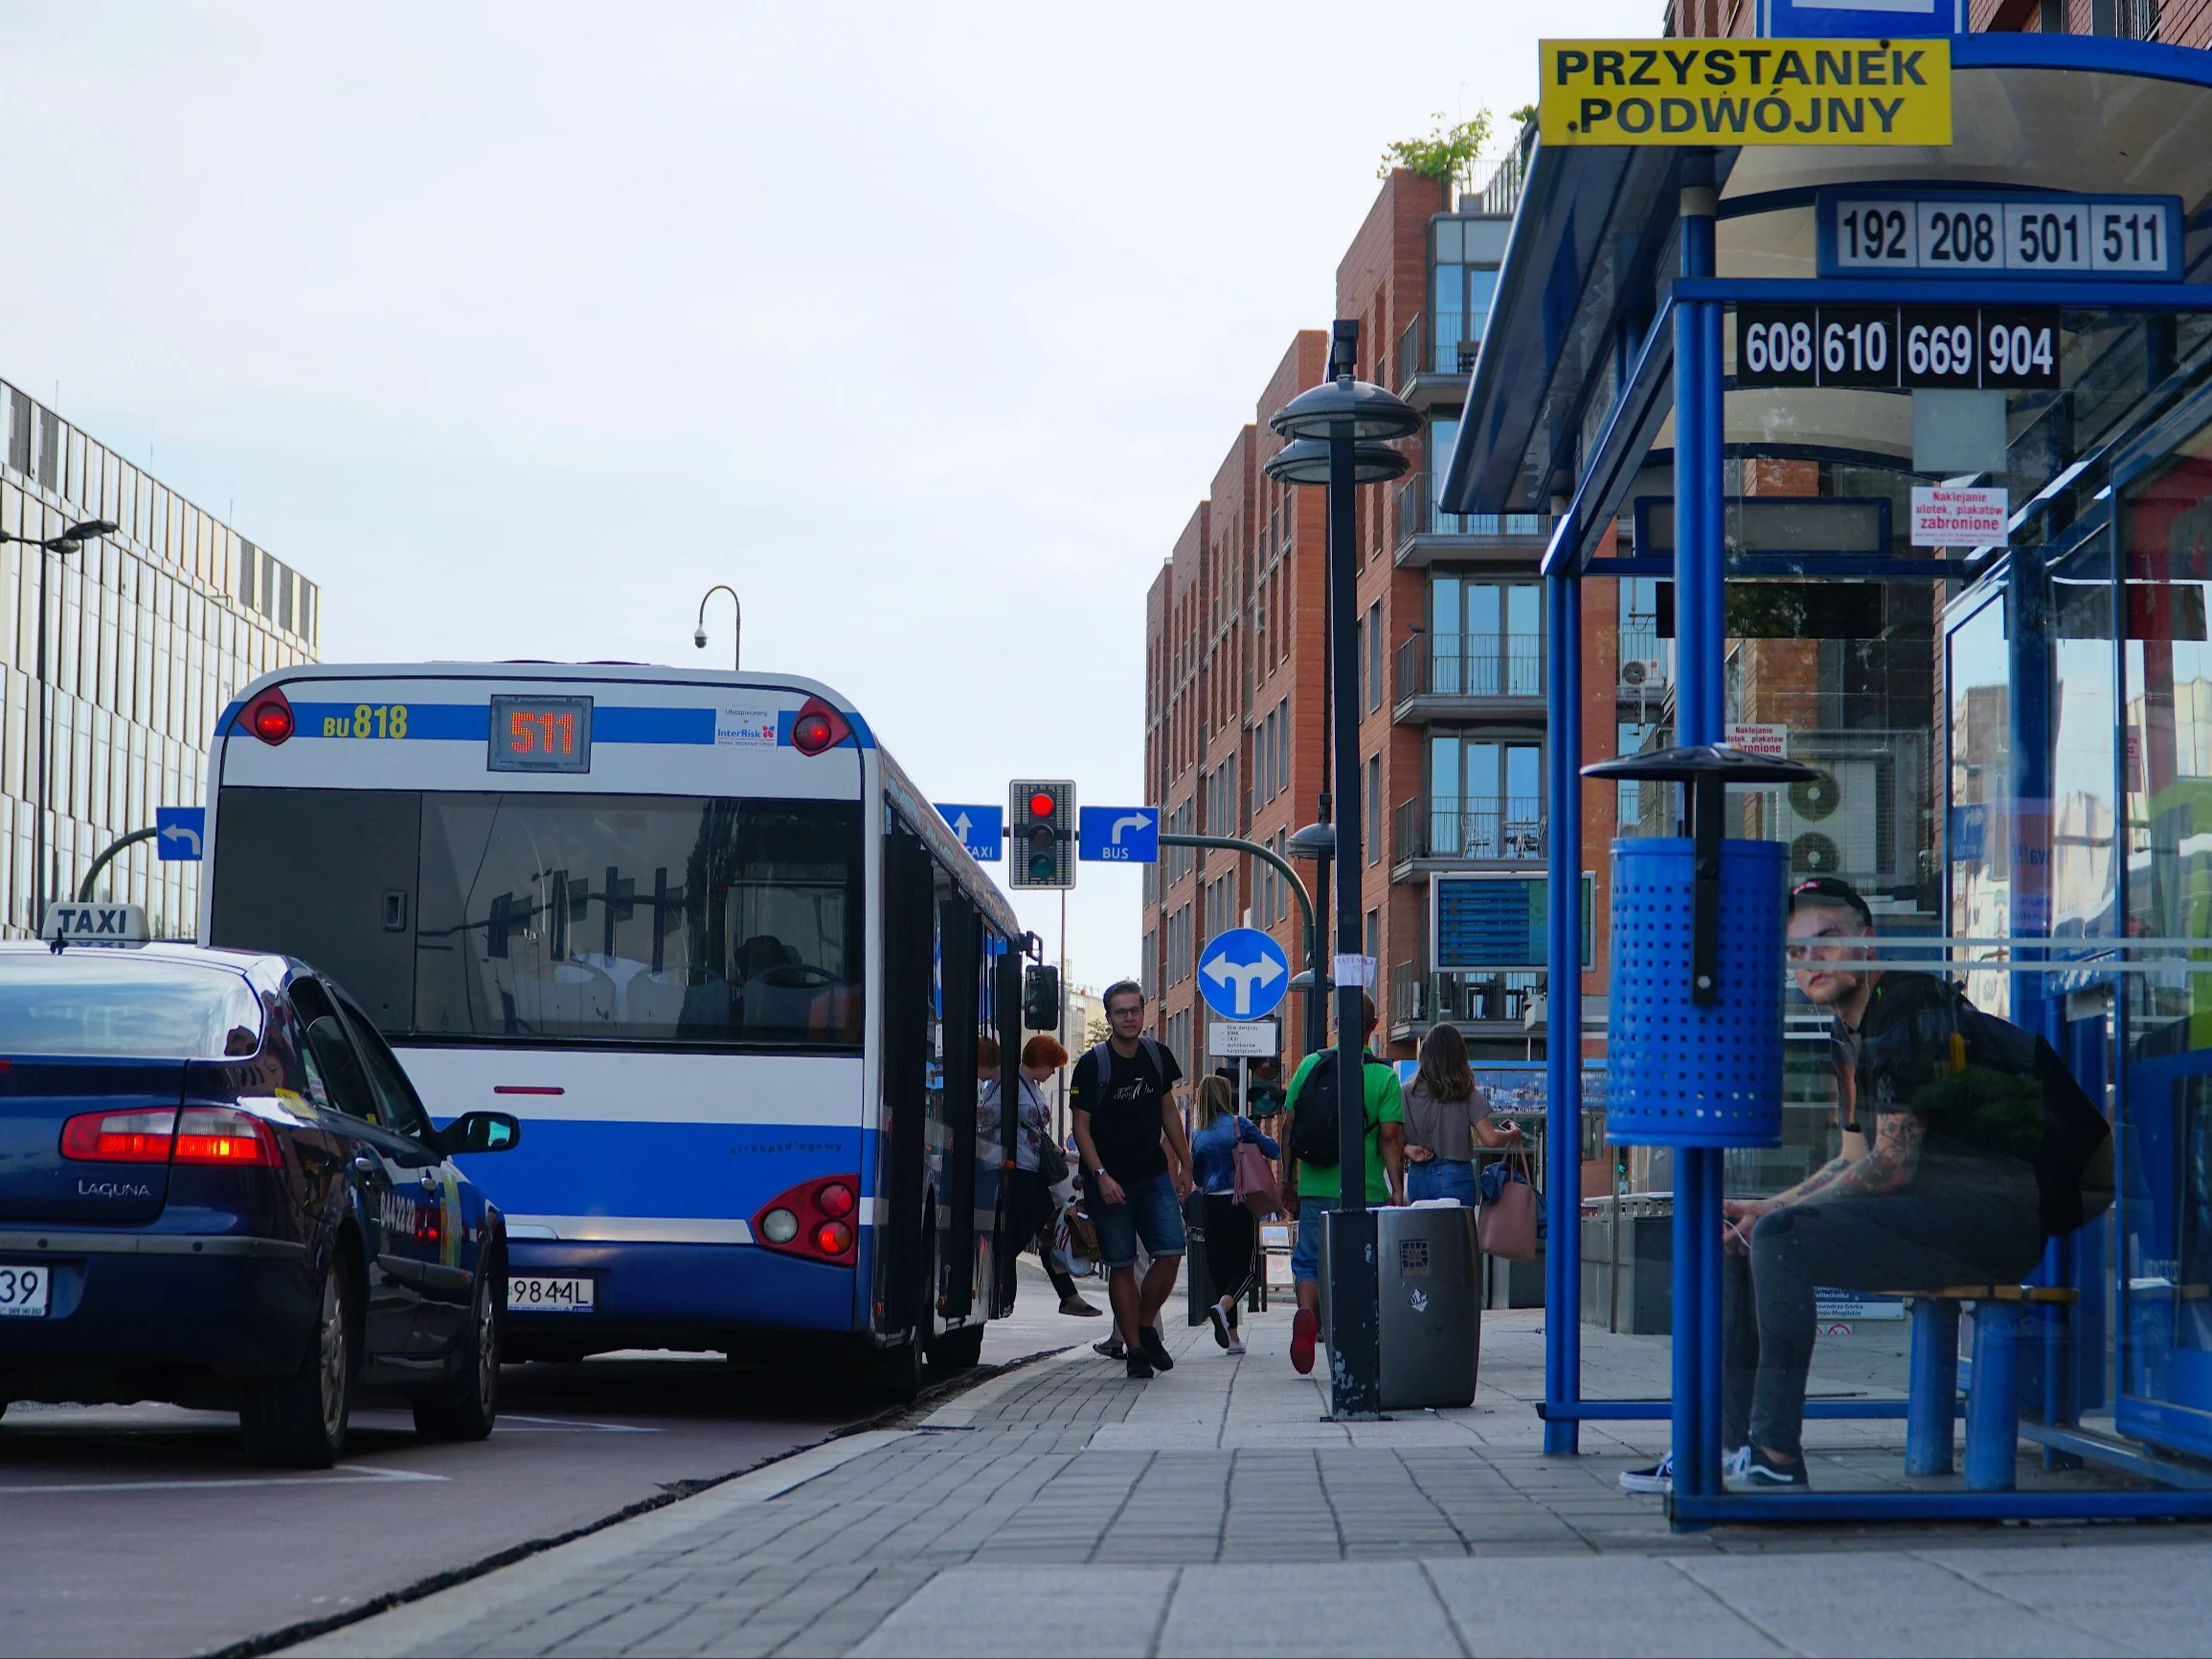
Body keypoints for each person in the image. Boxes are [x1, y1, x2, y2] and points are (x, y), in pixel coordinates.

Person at [1620, 875, 2050, 1495]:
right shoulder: (1846, 1031)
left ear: (1867, 943)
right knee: (1743, 1235)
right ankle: (1724, 1446)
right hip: (1938, 1213)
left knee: (1780, 1238)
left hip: (1994, 1220)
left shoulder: (1907, 1009)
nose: (1811, 960)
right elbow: (1854, 1157)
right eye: (1797, 951)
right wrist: (1766, 1205)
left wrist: (1778, 1217)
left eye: (1828, 939)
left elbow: (1892, 1164)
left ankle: (1775, 1453)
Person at [1277, 993, 1407, 1377]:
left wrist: (1288, 1179)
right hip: (1365, 1189)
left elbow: (1288, 1127)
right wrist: (1397, 1188)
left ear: (1336, 1024)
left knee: (1309, 1262)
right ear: (1374, 1026)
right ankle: (1353, 1332)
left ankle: (1306, 1314)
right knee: (1365, 1263)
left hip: (1316, 1185)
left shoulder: (1309, 1066)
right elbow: (1389, 1139)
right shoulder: (1383, 1077)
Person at [1070, 978, 1192, 1380]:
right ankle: (1137, 1352)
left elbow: (1169, 1113)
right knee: (1122, 1264)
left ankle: (1141, 1325)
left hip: (1153, 1174)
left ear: (1144, 1012)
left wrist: (1185, 1165)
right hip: (1110, 1181)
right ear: (1108, 1017)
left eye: (1134, 1010)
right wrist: (1101, 1175)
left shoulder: (1157, 1057)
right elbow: (1081, 1127)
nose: (1129, 1017)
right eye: (1120, 1012)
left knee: (1171, 1251)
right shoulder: (1093, 1065)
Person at [990, 1034, 1102, 1318]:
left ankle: (1009, 1285)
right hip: (1019, 1173)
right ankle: (1062, 1295)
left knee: (1043, 1233)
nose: (1053, 1072)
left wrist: (1067, 1155)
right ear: (1040, 1061)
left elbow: (1037, 1135)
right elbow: (990, 1114)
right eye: (1052, 1065)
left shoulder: (1030, 1087)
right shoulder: (1008, 1085)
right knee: (1045, 1231)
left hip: (1032, 1172)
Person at [1187, 1073, 1279, 1356]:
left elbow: (1199, 1176)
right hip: (1239, 1201)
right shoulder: (1239, 1125)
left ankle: (1234, 1338)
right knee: (1248, 1269)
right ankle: (1222, 1308)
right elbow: (1274, 1151)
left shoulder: (1198, 1134)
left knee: (1223, 1270)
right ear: (1225, 1097)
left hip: (1211, 1206)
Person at [1402, 1021, 1521, 1205]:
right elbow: (1490, 1139)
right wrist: (1512, 1133)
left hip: (1419, 1176)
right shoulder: (1467, 1093)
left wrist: (1407, 1149)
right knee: (1457, 1233)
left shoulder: (1406, 1093)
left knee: (1421, 1233)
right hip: (1455, 1177)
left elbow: (1391, 1137)